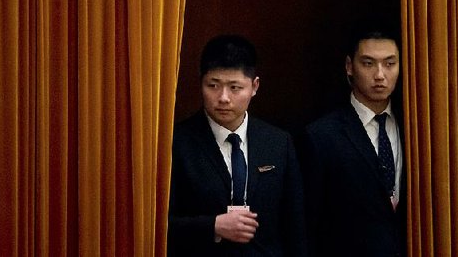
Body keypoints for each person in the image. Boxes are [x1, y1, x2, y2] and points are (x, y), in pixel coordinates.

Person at [168, 34, 307, 256]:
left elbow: (295, 223)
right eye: (213, 85)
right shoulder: (178, 142)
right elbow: (158, 225)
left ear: (254, 86)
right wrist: (212, 225)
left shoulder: (279, 142)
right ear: (200, 82)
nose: (223, 98)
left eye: (235, 88)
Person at [300, 18, 405, 257]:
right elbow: (309, 222)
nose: (380, 75)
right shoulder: (321, 136)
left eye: (390, 64)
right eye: (368, 63)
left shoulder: (418, 129)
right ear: (349, 66)